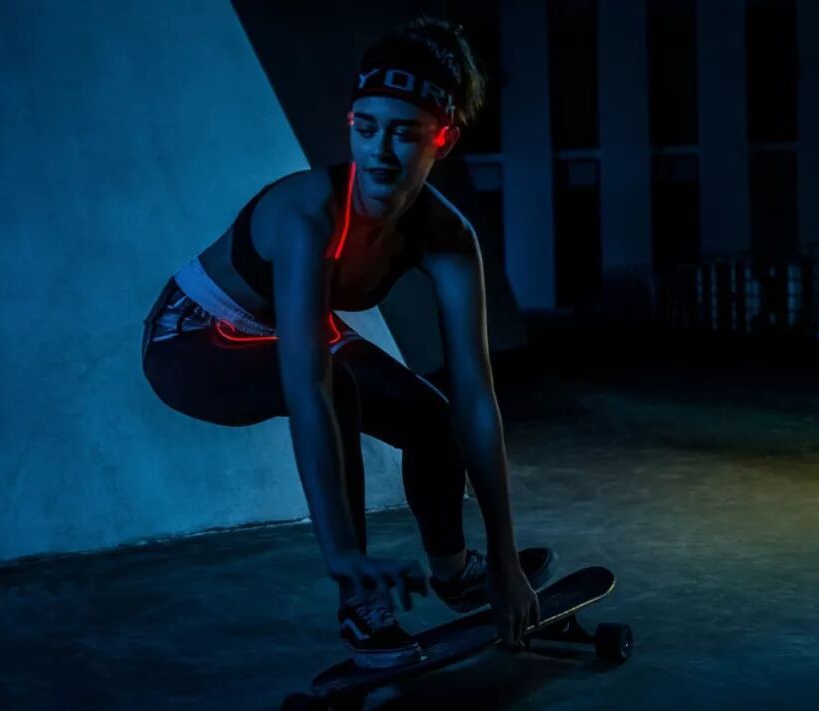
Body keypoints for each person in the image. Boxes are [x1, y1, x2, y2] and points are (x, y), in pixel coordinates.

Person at [141, 17, 555, 669]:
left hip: (288, 327)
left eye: (405, 133)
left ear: (442, 140)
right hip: (192, 339)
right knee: (335, 388)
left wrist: (504, 560)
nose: (380, 153)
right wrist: (344, 558)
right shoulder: (308, 214)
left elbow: (477, 397)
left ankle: (455, 572)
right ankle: (360, 603)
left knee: (435, 419)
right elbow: (311, 392)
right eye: (367, 127)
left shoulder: (448, 237)